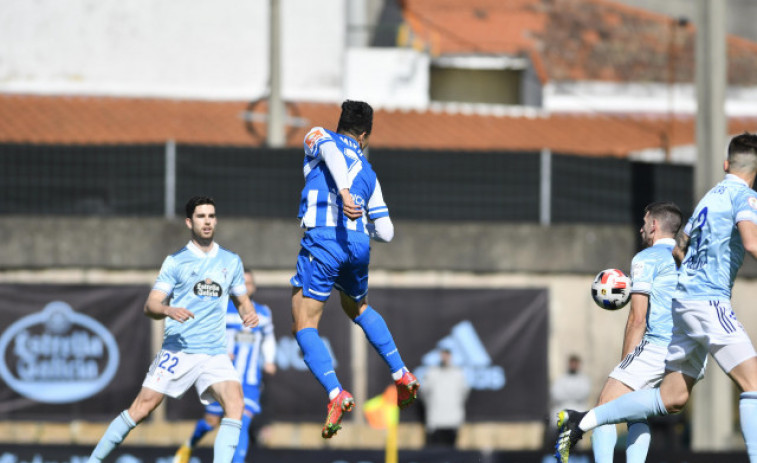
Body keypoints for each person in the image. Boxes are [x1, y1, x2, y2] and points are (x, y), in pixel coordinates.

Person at [555, 133, 757, 463]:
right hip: (708, 302)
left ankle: (581, 421)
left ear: (726, 164)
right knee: (754, 383)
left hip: (686, 313)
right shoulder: (745, 197)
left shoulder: (708, 199)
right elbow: (751, 242)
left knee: (671, 398)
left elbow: (683, 246)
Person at [87, 196, 259, 463]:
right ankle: (93, 461)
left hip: (214, 353)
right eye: (201, 217)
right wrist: (168, 310)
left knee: (236, 404)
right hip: (179, 350)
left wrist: (249, 315)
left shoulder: (231, 261)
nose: (207, 222)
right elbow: (150, 305)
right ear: (189, 222)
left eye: (211, 216)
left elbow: (242, 300)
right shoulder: (176, 262)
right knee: (141, 409)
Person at [290, 100, 419, 439]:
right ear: (363, 136)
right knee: (356, 306)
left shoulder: (319, 136)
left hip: (324, 240)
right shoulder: (369, 170)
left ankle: (335, 393)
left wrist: (343, 194)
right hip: (358, 245)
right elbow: (387, 232)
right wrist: (361, 221)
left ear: (341, 125)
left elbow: (331, 151)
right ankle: (401, 373)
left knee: (304, 321)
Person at [590, 202, 683, 463]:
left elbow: (637, 318)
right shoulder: (688, 258)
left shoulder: (646, 258)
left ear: (653, 225)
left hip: (658, 345)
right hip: (689, 348)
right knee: (634, 411)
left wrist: (624, 365)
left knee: (604, 408)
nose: (641, 229)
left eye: (644, 223)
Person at [174, 270, 276, 463]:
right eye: (242, 283)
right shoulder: (222, 310)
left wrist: (270, 360)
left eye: (249, 283)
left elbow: (268, 339)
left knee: (241, 421)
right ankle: (190, 443)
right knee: (211, 422)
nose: (246, 287)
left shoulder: (263, 313)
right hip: (223, 377)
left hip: (250, 381)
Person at [420, 346, 470, 447]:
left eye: (447, 355)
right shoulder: (432, 373)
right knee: (434, 451)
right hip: (435, 420)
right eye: (443, 355)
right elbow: (423, 393)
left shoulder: (458, 374)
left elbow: (464, 393)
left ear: (450, 356)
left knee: (451, 451)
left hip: (453, 420)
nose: (445, 357)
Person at [545, 355, 591, 450]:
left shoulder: (584, 380)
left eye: (575, 363)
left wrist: (567, 393)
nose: (573, 365)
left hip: (578, 413)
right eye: (572, 363)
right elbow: (556, 394)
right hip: (562, 412)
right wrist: (573, 393)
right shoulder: (561, 379)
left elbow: (583, 393)